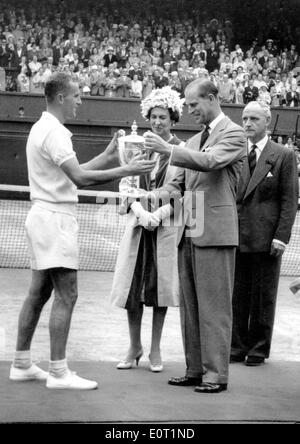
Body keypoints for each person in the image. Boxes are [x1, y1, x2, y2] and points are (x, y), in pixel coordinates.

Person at [9, 72, 156, 390]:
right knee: (67, 293)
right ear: (61, 98)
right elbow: (79, 179)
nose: (80, 101)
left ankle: (21, 363)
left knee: (39, 293)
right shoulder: (55, 132)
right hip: (54, 220)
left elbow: (70, 173)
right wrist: (128, 169)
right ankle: (59, 372)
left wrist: (107, 157)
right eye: (76, 95)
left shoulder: (43, 128)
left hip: (44, 217)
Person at [144, 79, 247, 393]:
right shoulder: (190, 142)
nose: (189, 111)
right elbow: (175, 189)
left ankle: (216, 375)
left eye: (193, 105)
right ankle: (195, 369)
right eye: (187, 106)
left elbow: (211, 161)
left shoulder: (233, 133)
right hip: (190, 228)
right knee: (190, 306)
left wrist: (168, 149)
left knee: (214, 307)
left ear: (212, 98)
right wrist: (140, 195)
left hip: (215, 230)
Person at [110, 86, 184, 372]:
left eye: (163, 116)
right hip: (138, 227)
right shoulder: (134, 145)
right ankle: (134, 346)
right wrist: (140, 212)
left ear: (173, 118)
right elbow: (125, 183)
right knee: (133, 289)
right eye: (153, 116)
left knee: (159, 291)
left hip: (165, 230)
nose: (157, 121)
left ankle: (155, 349)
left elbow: (185, 189)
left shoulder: (181, 150)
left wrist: (162, 214)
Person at [230, 101, 298, 366]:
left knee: (263, 297)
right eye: (245, 118)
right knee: (237, 296)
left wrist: (281, 237)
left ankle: (258, 349)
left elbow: (289, 200)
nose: (247, 123)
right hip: (236, 236)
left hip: (267, 239)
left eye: (254, 119)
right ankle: (236, 346)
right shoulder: (235, 152)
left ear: (266, 121)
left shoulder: (283, 154)